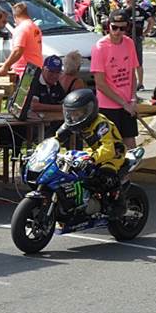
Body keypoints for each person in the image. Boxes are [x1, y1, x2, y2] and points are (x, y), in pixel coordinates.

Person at [55, 88, 127, 217]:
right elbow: (57, 138)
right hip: (92, 152)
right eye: (71, 113)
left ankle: (119, 204)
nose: (73, 117)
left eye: (77, 113)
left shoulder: (101, 124)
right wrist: (44, 148)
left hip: (113, 154)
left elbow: (107, 148)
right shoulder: (73, 122)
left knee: (105, 176)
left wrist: (92, 159)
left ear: (89, 110)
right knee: (72, 172)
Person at [91, 9, 140, 150]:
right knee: (111, 148)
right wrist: (123, 103)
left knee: (131, 146)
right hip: (108, 106)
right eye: (115, 27)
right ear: (108, 25)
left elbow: (132, 74)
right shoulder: (100, 47)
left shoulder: (129, 43)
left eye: (122, 28)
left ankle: (130, 166)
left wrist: (133, 99)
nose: (118, 32)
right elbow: (100, 83)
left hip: (127, 104)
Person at [0, 2, 42, 79]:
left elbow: (18, 50)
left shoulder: (21, 28)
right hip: (35, 70)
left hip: (24, 73)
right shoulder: (35, 27)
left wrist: (5, 66)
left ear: (15, 16)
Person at [123, 0, 153, 91]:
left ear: (128, 1)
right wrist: (145, 32)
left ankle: (131, 83)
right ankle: (140, 83)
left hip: (127, 38)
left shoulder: (125, 11)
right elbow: (151, 21)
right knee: (139, 62)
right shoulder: (141, 10)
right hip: (138, 38)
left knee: (128, 61)